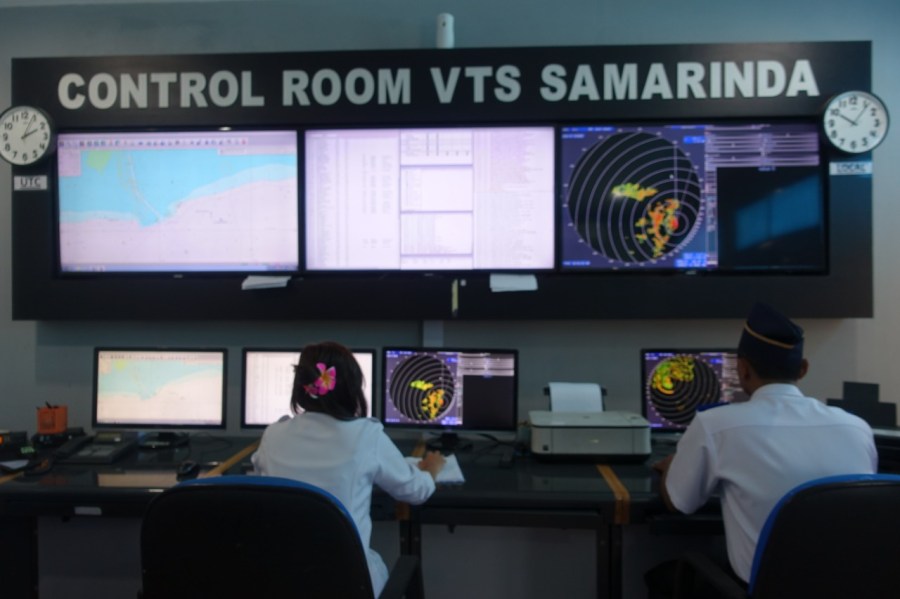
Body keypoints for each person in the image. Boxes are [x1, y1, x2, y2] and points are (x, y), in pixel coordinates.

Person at [647, 302, 877, 595]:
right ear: (803, 369)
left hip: (764, 588)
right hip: (851, 588)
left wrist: (671, 466)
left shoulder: (716, 425)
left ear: (742, 369)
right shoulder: (857, 427)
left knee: (663, 577)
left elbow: (680, 503)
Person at [251, 341, 445, 597]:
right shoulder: (366, 435)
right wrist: (431, 470)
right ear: (352, 388)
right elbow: (415, 492)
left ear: (301, 387)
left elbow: (261, 479)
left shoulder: (273, 435)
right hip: (348, 585)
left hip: (284, 583)